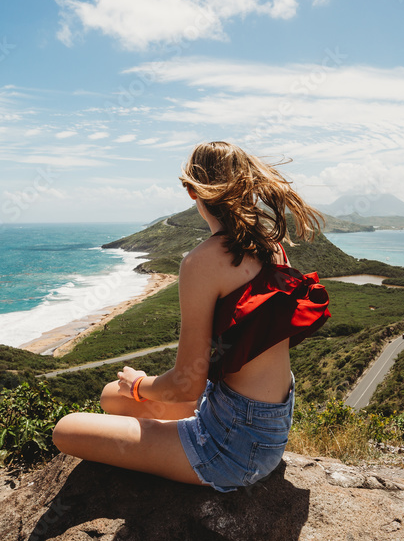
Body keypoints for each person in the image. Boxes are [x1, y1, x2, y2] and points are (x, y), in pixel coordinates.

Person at [52, 141, 330, 492]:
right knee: (111, 396)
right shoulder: (271, 245)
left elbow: (185, 384)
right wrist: (136, 390)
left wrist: (139, 383)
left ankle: (184, 438)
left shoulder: (201, 262)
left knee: (65, 429)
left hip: (232, 448)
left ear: (191, 191)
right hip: (264, 420)